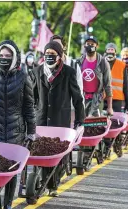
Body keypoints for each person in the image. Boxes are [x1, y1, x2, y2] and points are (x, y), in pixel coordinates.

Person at [0, 40, 36, 209]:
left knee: (11, 171)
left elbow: (29, 107)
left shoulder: (23, 78)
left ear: (15, 58)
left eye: (8, 56)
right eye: (1, 55)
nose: (4, 58)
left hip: (15, 133)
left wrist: (31, 132)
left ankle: (8, 204)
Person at [31, 41, 85, 196]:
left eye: (52, 54)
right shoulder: (37, 71)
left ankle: (53, 184)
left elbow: (77, 98)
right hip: (41, 119)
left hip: (60, 119)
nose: (49, 57)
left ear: (60, 57)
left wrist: (80, 119)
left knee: (58, 154)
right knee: (41, 153)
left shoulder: (68, 72)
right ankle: (43, 180)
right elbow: (32, 97)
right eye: (47, 53)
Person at [77, 35, 113, 117]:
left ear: (97, 46)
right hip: (82, 98)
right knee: (82, 125)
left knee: (95, 125)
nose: (90, 46)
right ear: (84, 46)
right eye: (88, 44)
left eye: (92, 44)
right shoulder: (79, 62)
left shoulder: (103, 63)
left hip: (97, 99)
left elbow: (108, 85)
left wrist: (110, 107)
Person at [104, 43, 128, 112]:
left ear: (115, 52)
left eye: (112, 49)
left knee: (115, 121)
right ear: (106, 51)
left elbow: (125, 85)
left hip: (117, 99)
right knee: (104, 121)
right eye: (108, 49)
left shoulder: (122, 65)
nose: (110, 51)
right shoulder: (101, 63)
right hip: (103, 98)